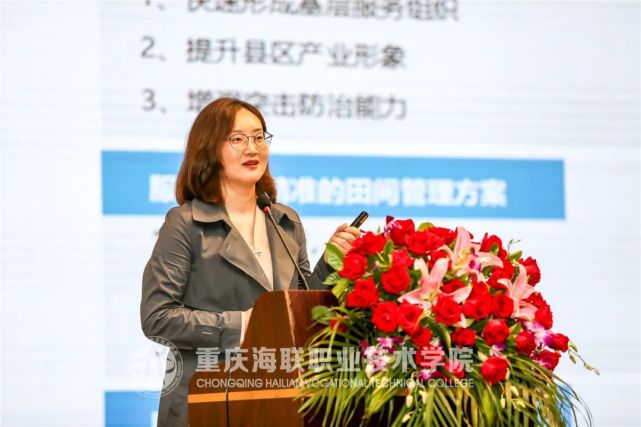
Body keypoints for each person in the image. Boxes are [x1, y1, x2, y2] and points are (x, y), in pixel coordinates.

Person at [140, 97, 361, 426]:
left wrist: (331, 263)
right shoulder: (185, 223)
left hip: (276, 400)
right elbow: (157, 317)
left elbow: (297, 312)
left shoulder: (284, 221)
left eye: (259, 137)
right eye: (238, 139)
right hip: (207, 399)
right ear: (210, 148)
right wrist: (246, 325)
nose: (252, 148)